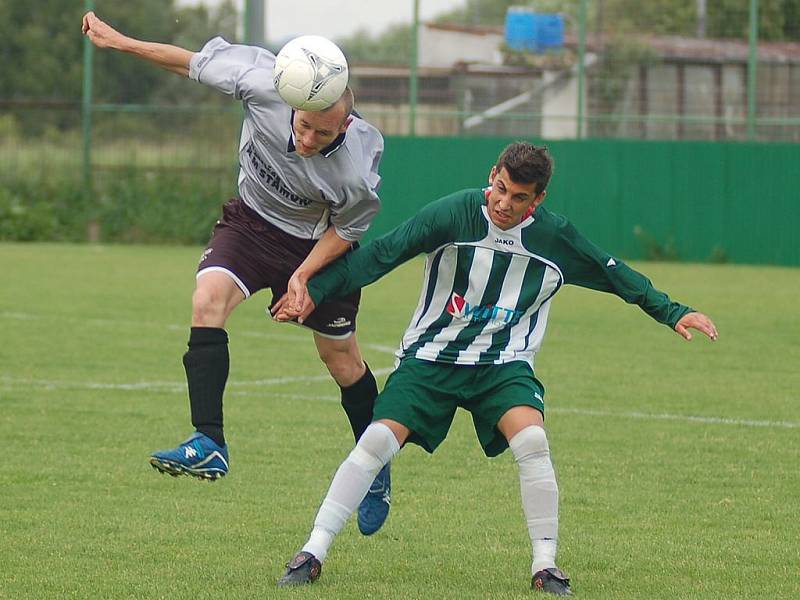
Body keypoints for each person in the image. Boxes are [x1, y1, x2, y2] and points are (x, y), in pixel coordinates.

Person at [271, 142, 718, 594]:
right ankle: (312, 551)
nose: (503, 203)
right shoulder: (454, 214)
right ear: (493, 174)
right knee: (375, 442)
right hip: (431, 356)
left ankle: (545, 566)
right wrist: (314, 289)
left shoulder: (555, 239)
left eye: (518, 197)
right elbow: (380, 254)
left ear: (538, 199)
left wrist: (671, 311)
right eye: (499, 188)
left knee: (533, 441)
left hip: (503, 365)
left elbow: (615, 273)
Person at [81, 11, 392, 535]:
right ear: (291, 102)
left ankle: (377, 467)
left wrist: (303, 276)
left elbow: (348, 230)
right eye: (303, 124)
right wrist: (122, 42)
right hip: (250, 223)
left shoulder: (359, 164)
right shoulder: (263, 79)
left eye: (323, 131)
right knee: (208, 300)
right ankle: (209, 441)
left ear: (346, 122)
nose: (308, 139)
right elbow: (191, 63)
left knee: (341, 360)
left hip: (318, 246)